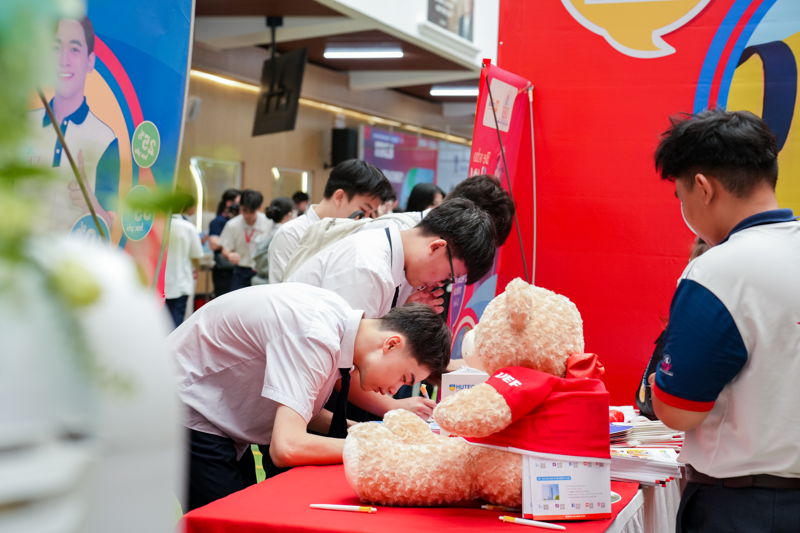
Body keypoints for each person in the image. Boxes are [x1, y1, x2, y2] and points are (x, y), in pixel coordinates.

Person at [650, 108, 800, 532]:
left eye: (680, 197)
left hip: (746, 507)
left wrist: (660, 384)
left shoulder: (718, 272)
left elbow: (679, 410)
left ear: (703, 187)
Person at [170, 284, 450, 510]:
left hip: (213, 414)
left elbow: (303, 410)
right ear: (391, 344)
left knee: (246, 511)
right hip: (186, 407)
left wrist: (369, 432)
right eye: (404, 378)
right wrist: (379, 447)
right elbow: (287, 447)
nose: (394, 390)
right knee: (229, 519)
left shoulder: (337, 321)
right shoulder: (316, 334)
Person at [288, 197, 496, 420]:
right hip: (299, 392)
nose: (440, 284)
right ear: (436, 247)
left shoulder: (397, 263)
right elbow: (342, 361)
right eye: (448, 277)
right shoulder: (367, 268)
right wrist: (393, 406)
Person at [25, 16, 120, 234]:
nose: (63, 60)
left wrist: (90, 203)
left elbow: (111, 227)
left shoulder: (106, 139)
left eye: (75, 49)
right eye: (56, 48)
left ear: (90, 61)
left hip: (72, 255)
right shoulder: (26, 124)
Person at [268, 159, 392, 283]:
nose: (365, 219)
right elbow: (281, 290)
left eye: (372, 213)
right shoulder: (291, 234)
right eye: (363, 210)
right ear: (339, 197)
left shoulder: (355, 235)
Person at [164, 198, 204, 328]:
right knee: (177, 323)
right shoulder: (188, 227)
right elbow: (196, 256)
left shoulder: (158, 225)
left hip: (160, 285)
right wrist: (196, 270)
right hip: (181, 283)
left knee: (162, 322)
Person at [219, 189, 269, 290]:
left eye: (251, 212)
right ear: (240, 207)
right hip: (241, 271)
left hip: (261, 272)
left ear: (259, 208)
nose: (247, 215)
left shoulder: (268, 223)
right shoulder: (232, 225)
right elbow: (224, 249)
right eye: (244, 210)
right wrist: (229, 255)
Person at [252, 197, 295, 285]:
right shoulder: (285, 234)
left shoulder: (265, 229)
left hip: (258, 279)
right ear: (289, 215)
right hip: (273, 283)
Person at [208, 188, 240, 297]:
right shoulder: (219, 222)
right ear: (229, 203)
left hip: (238, 270)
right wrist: (231, 243)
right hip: (224, 270)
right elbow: (213, 244)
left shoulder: (239, 222)